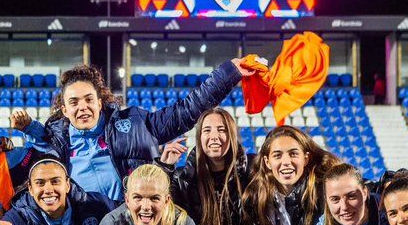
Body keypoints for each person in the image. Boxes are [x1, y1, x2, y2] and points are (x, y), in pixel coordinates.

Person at [39, 61, 253, 205]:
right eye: (74, 102)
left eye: (89, 99)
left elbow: (186, 111)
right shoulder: (55, 146)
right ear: (65, 109)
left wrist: (227, 75)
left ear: (100, 102)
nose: (82, 107)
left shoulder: (136, 124)